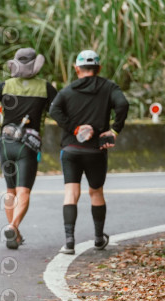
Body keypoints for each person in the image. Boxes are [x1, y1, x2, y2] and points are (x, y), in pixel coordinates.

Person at [49, 50, 129, 254]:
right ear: (99, 68)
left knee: (71, 192)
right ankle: (98, 239)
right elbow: (122, 104)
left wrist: (74, 129)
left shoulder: (67, 91)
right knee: (96, 192)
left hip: (71, 149)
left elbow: (53, 110)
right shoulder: (109, 87)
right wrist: (114, 130)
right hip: (96, 151)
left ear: (77, 69)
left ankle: (69, 242)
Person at [0, 48, 57, 249]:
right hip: (28, 145)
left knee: (10, 190)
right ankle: (13, 226)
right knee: (23, 191)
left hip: (6, 143)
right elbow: (58, 110)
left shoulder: (4, 86)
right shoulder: (45, 88)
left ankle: (14, 235)